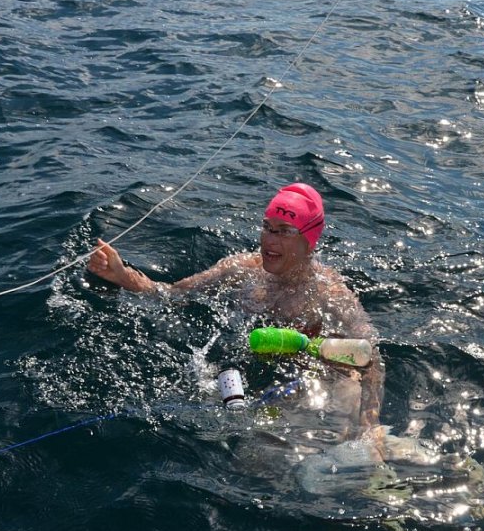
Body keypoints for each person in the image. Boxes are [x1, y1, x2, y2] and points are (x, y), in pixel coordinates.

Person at [87, 183, 383, 436]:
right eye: (267, 227)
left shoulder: (328, 293)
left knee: (346, 396)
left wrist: (370, 426)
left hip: (308, 376)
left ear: (309, 241)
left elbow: (372, 356)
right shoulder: (241, 270)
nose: (268, 240)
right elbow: (173, 294)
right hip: (248, 368)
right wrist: (122, 276)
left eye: (283, 231)